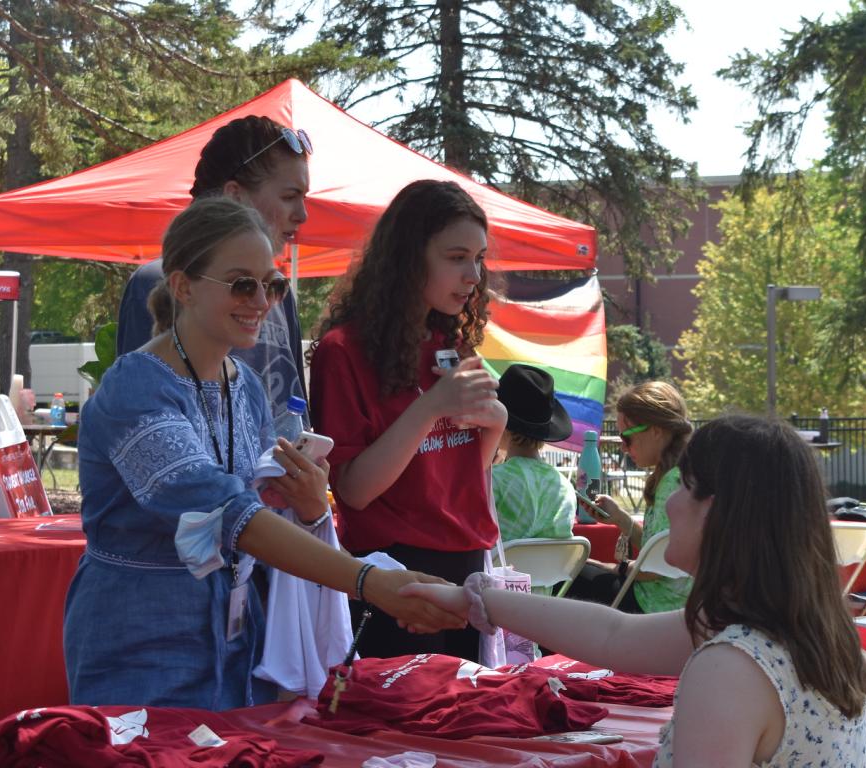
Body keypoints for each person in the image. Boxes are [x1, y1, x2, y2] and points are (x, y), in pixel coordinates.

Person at [64, 198, 464, 710]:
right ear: (183, 286)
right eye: (241, 283)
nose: (261, 300)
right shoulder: (135, 389)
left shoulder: (246, 385)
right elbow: (228, 514)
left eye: (271, 285)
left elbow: (257, 509)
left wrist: (307, 503)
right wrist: (372, 583)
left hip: (237, 641)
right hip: (141, 641)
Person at [402, 415, 866, 766]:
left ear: (718, 512)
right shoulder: (796, 631)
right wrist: (474, 599)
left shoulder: (729, 667)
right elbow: (614, 635)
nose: (670, 501)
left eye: (685, 485)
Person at [310, 179, 507, 662]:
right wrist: (431, 407)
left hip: (467, 563)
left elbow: (456, 473)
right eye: (457, 257)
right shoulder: (344, 351)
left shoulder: (450, 342)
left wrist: (495, 425)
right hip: (395, 572)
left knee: (467, 725)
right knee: (405, 731)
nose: (473, 276)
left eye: (479, 259)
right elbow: (354, 491)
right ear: (408, 255)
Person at [117, 115, 310, 427]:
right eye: (289, 197)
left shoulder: (278, 291)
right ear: (235, 195)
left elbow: (295, 414)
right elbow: (140, 419)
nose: (302, 215)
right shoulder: (159, 282)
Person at [565, 381, 692, 613]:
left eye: (627, 437)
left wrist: (614, 567)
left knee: (568, 578)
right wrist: (621, 519)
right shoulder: (680, 474)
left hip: (655, 607)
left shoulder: (671, 484)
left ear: (656, 430)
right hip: (669, 604)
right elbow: (661, 549)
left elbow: (660, 566)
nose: (623, 447)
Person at [491, 364, 576, 543]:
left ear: (502, 426)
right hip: (552, 571)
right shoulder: (565, 487)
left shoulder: (494, 481)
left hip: (502, 570)